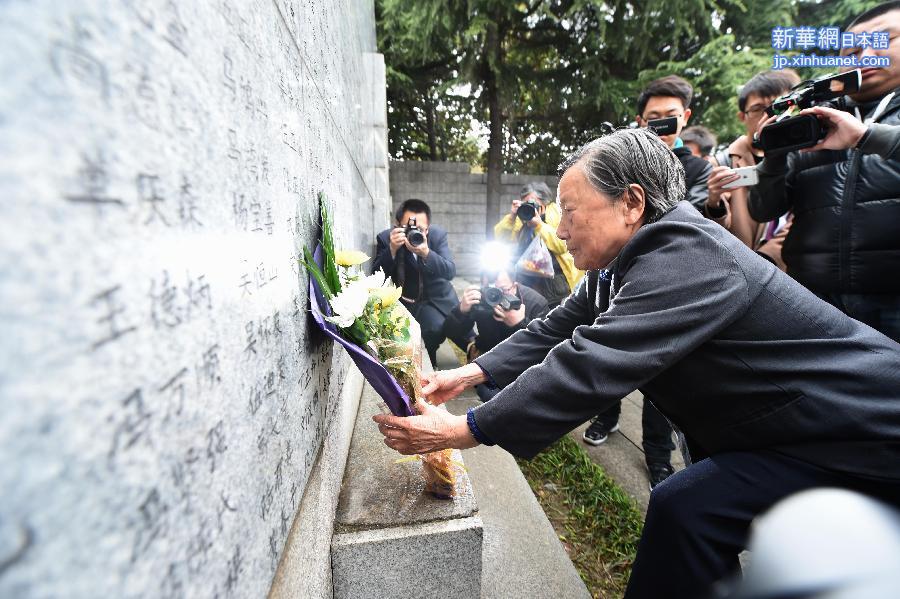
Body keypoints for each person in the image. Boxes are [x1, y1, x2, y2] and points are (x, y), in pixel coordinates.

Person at [372, 128, 900, 599]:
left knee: (694, 511)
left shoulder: (688, 252)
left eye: (571, 212)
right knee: (689, 512)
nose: (560, 229)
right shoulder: (619, 263)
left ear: (631, 203)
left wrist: (466, 427)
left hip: (863, 428)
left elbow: (593, 361)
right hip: (797, 432)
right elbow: (557, 327)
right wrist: (463, 375)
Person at [750, 2, 900, 342]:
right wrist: (772, 159)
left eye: (883, 40)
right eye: (853, 49)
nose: (867, 54)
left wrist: (866, 137)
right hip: (816, 301)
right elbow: (764, 209)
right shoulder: (812, 120)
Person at [705, 70, 800, 252]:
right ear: (742, 116)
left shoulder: (805, 155)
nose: (768, 116)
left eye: (777, 106)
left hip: (791, 269)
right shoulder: (723, 161)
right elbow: (715, 232)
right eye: (758, 109)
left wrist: (769, 257)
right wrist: (714, 203)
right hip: (742, 269)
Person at [442, 265, 549, 401]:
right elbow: (451, 332)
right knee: (489, 393)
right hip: (489, 358)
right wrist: (461, 311)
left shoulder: (534, 302)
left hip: (521, 362)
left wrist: (520, 323)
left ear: (515, 285)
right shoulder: (481, 298)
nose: (496, 295)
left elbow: (545, 348)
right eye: (491, 289)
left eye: (503, 290)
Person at [372, 198, 458, 366]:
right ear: (397, 225)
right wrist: (392, 250)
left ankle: (432, 357)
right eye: (408, 228)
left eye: (420, 229)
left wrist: (426, 252)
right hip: (402, 301)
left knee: (436, 328)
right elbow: (376, 275)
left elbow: (450, 271)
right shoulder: (385, 238)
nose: (414, 232)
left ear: (428, 228)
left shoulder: (438, 236)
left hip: (431, 300)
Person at [493, 182, 581, 307]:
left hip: (554, 284)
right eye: (526, 203)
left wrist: (539, 225)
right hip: (525, 281)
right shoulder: (522, 216)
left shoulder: (557, 213)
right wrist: (511, 217)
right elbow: (500, 239)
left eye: (533, 203)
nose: (530, 207)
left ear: (544, 202)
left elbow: (563, 245)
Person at [636, 75, 712, 210]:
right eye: (654, 118)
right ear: (640, 121)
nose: (663, 124)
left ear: (685, 117)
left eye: (671, 116)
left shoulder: (700, 169)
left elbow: (693, 218)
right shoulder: (625, 162)